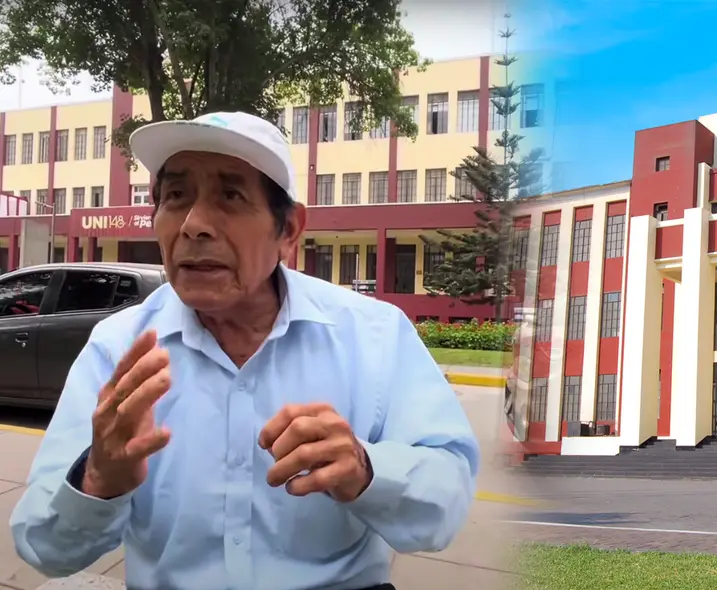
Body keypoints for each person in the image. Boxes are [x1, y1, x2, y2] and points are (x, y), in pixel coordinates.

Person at [9, 112, 480, 590]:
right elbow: (44, 548)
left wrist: (365, 469)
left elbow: (445, 505)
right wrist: (97, 479)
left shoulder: (373, 335)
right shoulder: (119, 349)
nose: (193, 225)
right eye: (175, 196)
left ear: (289, 230)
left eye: (230, 196)